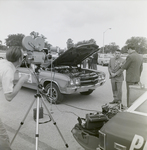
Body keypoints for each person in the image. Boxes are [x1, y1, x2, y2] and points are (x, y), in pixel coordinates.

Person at [0, 46, 29, 150]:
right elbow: (8, 97)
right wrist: (21, 81)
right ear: (20, 59)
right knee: (2, 137)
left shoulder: (3, 63)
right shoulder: (8, 70)